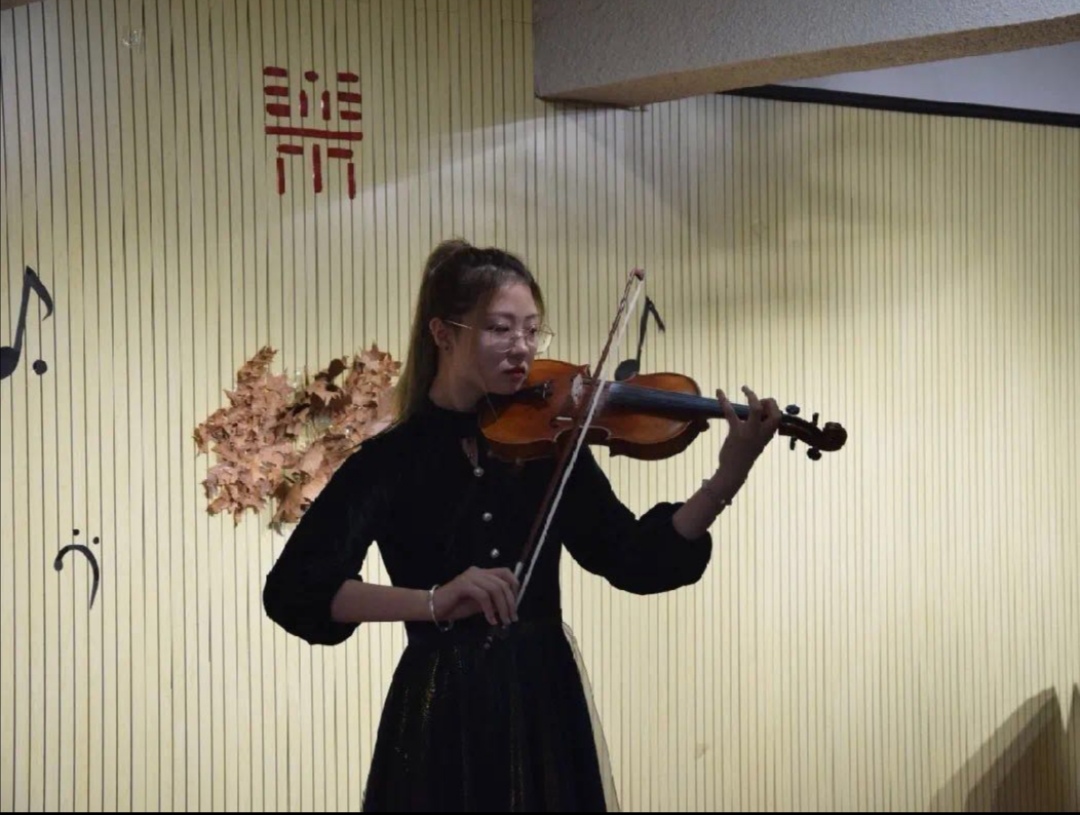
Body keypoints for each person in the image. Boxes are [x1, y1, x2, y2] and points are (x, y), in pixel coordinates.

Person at [262, 239, 782, 812]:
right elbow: (296, 591)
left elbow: (634, 558)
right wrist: (433, 601)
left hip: (542, 703)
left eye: (533, 330)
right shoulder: (390, 461)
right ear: (443, 333)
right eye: (500, 329)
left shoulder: (550, 444)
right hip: (441, 711)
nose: (522, 348)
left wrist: (727, 477)